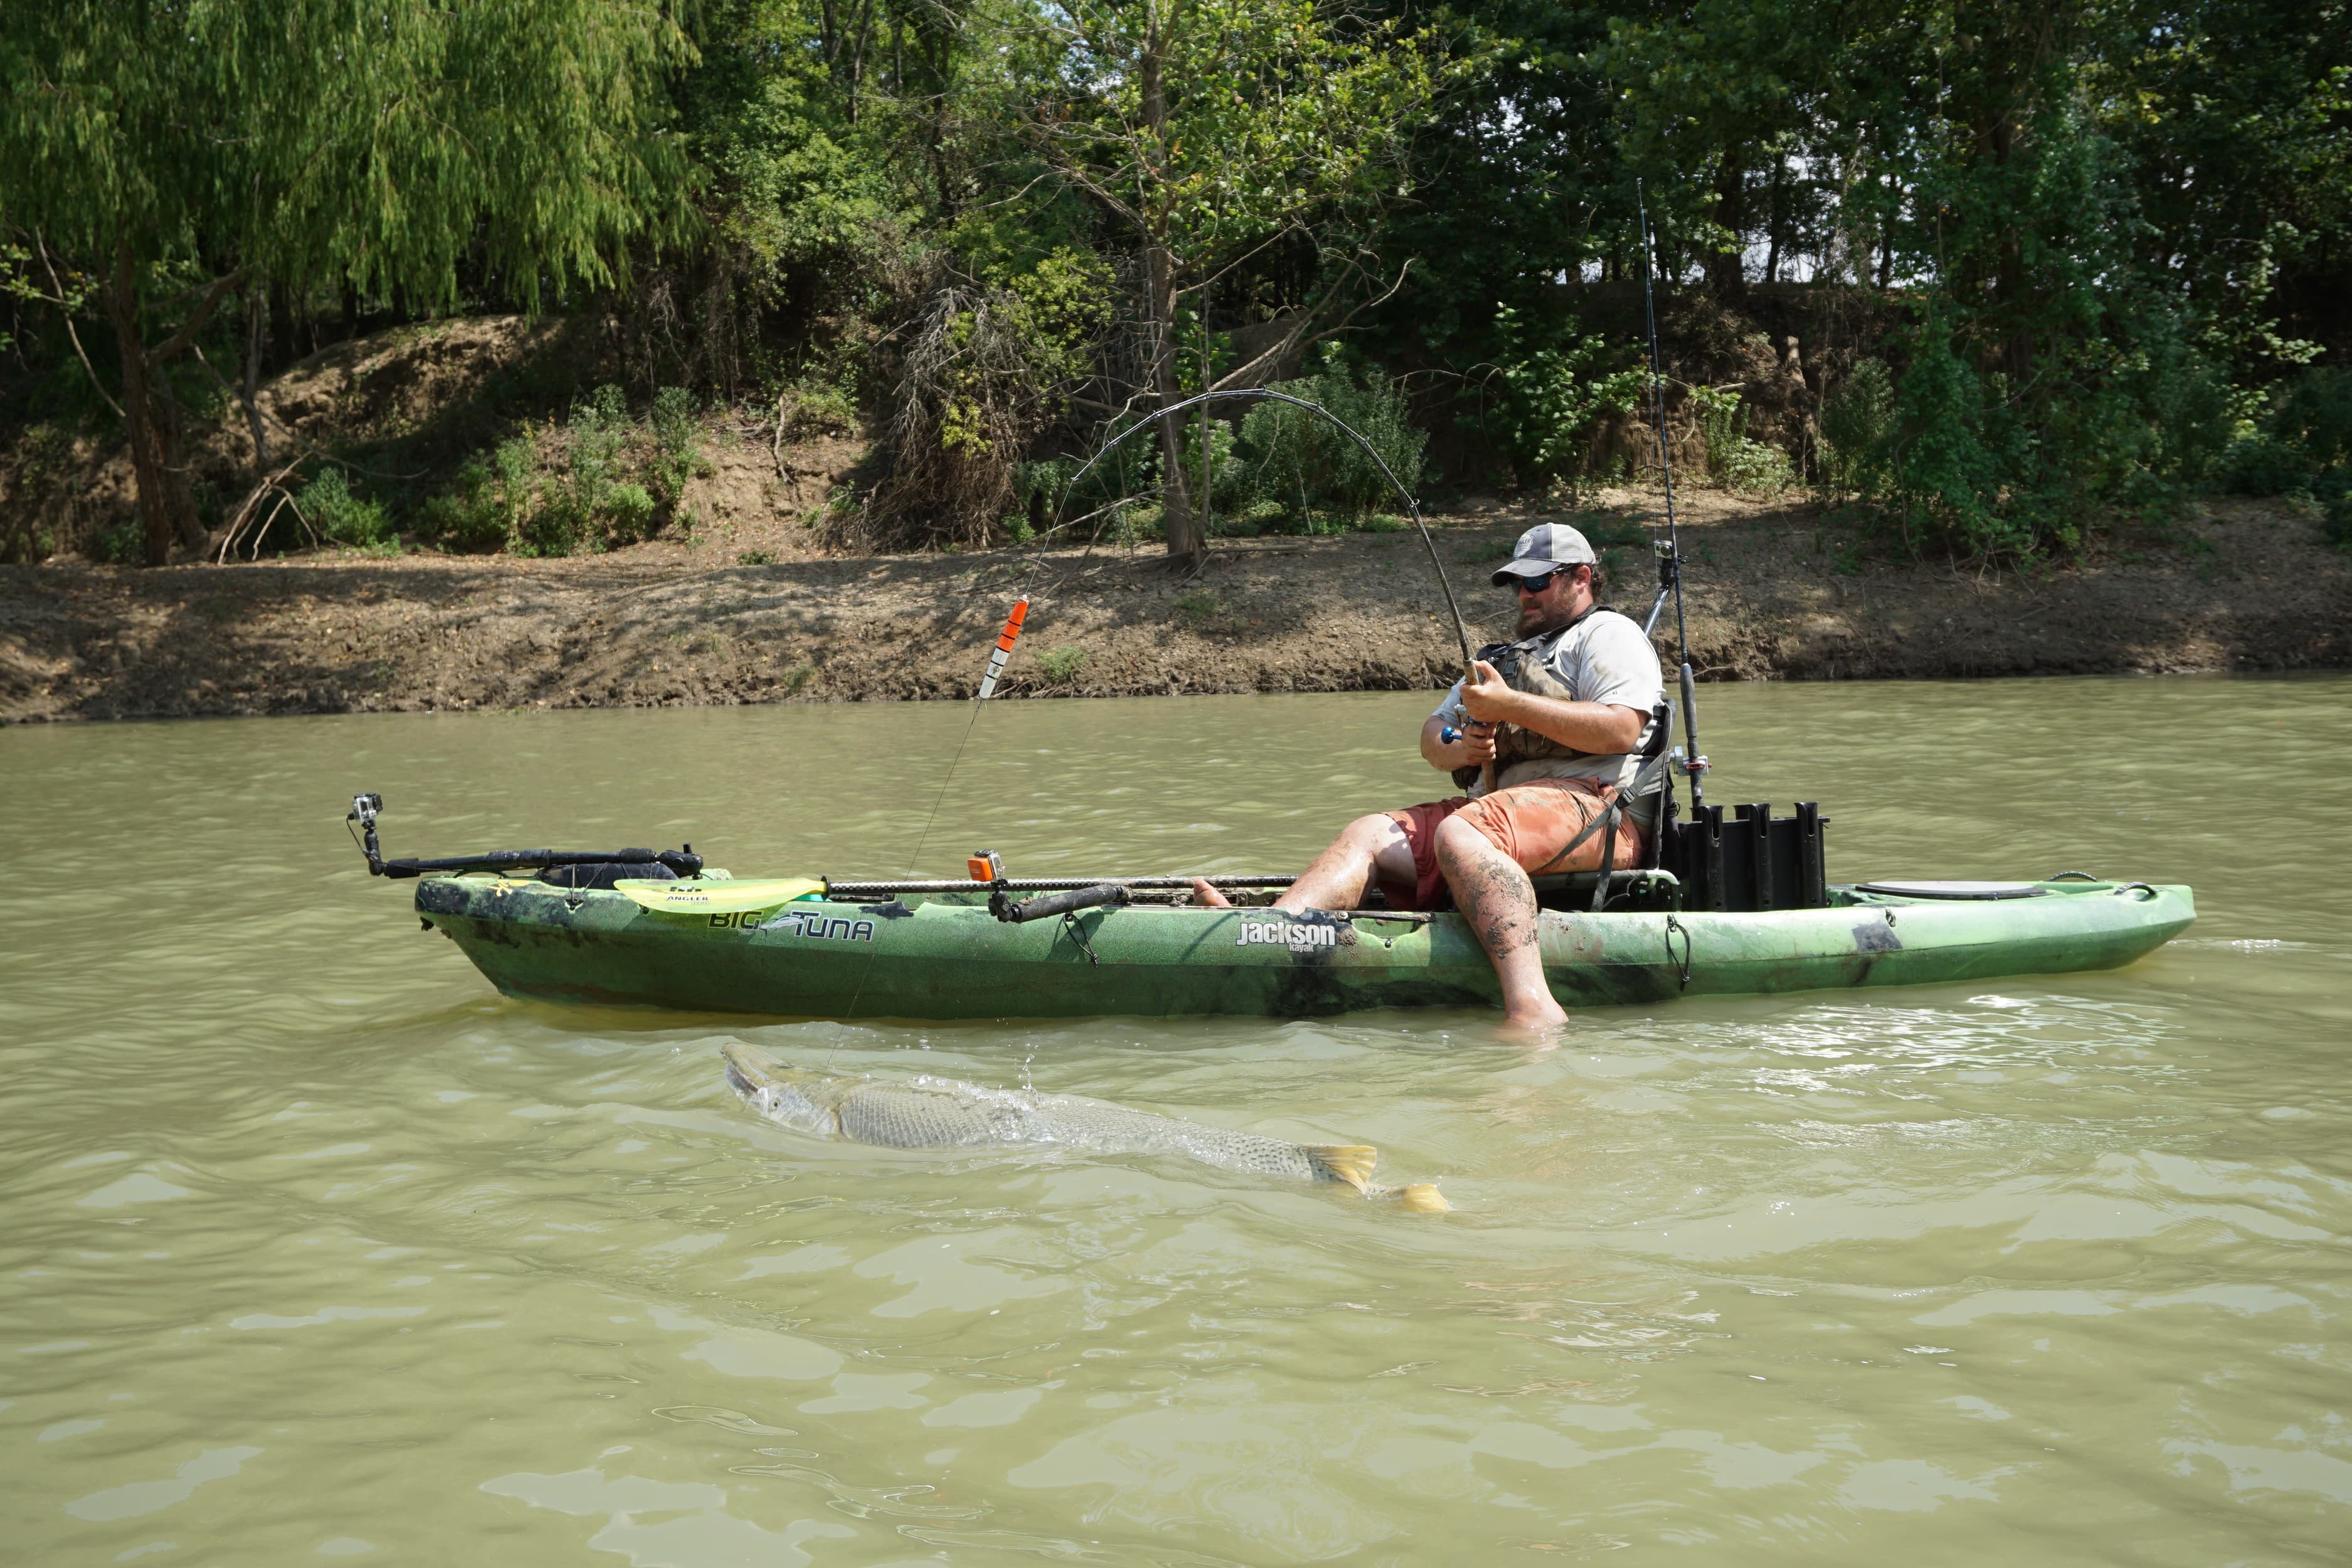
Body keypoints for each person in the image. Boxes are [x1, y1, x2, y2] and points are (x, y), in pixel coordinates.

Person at [1196, 523, 1665, 1029]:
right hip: (1502, 812)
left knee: (1463, 830)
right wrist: (1458, 745)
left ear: (1581, 578)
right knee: (1370, 833)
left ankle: (1533, 1006)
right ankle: (1267, 935)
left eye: (1537, 583)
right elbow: (1432, 734)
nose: (1523, 596)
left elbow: (1621, 728)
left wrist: (1510, 706)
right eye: (1516, 585)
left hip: (1597, 812)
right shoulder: (1497, 660)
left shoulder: (1610, 635)